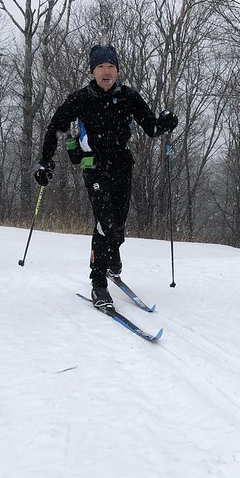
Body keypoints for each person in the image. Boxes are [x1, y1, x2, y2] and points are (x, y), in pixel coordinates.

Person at [34, 44, 178, 313]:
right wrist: (46, 162)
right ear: (93, 71)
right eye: (101, 67)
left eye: (111, 66)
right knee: (104, 222)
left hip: (122, 164)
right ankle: (98, 282)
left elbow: (151, 127)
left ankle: (113, 253)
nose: (106, 71)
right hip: (94, 165)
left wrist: (165, 122)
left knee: (119, 223)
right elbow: (55, 127)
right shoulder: (80, 99)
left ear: (117, 70)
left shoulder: (128, 97)